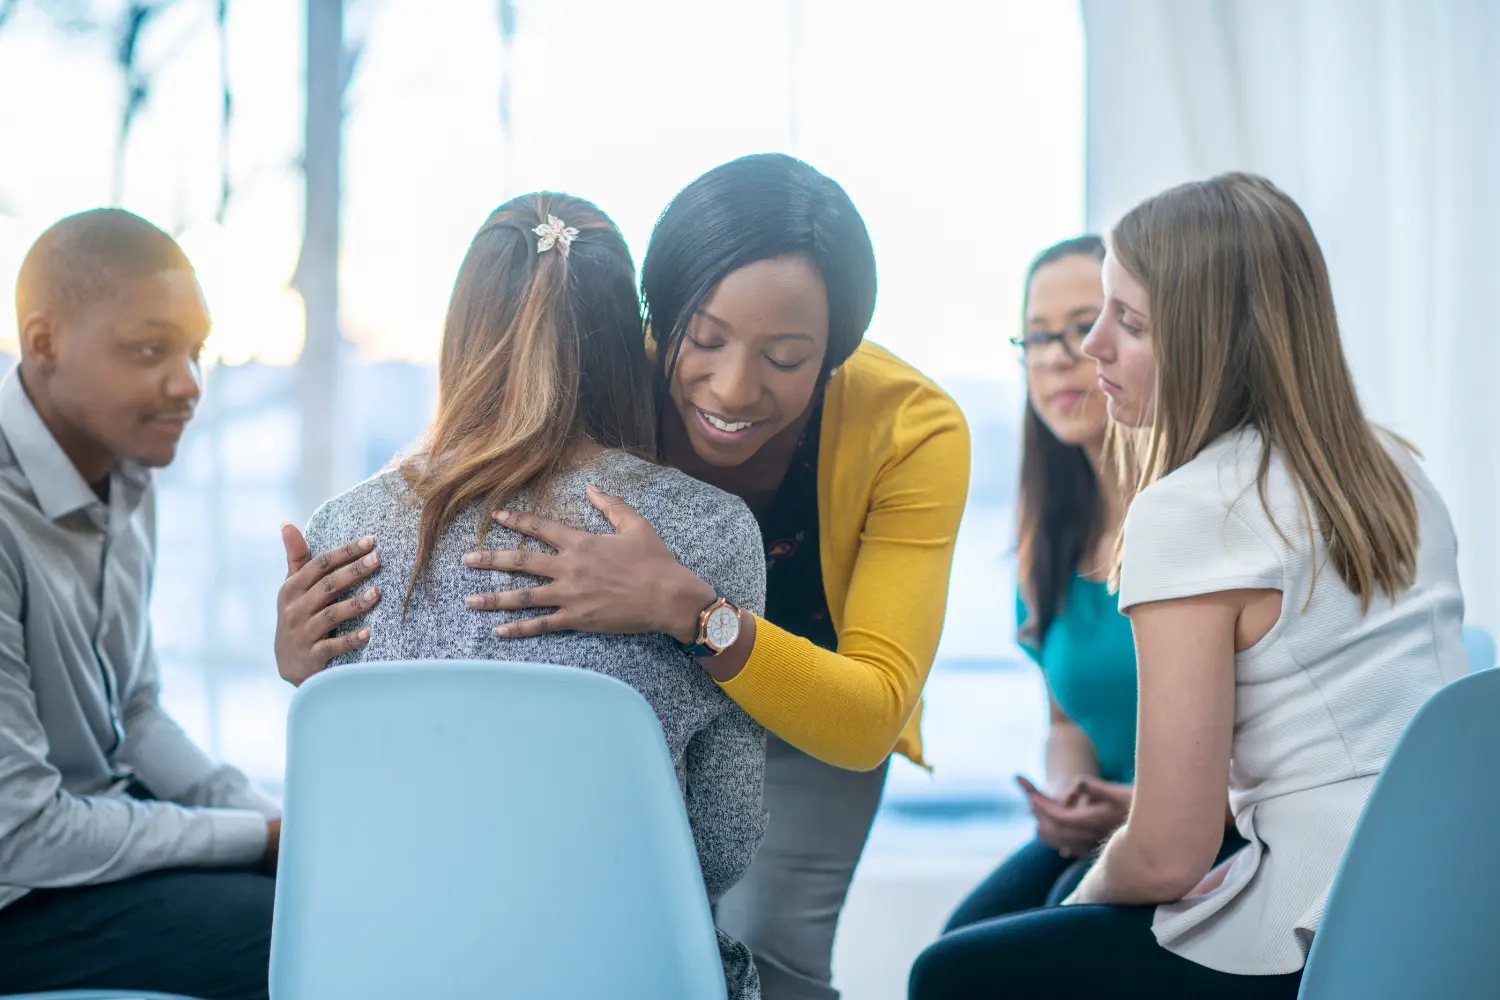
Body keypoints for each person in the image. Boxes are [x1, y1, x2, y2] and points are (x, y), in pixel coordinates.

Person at [274, 154, 971, 1000]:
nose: (732, 386)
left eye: (786, 358)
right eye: (704, 339)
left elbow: (867, 718)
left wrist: (692, 611)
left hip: (818, 695)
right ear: (654, 313)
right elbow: (709, 850)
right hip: (678, 727)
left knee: (779, 946)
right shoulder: (592, 354)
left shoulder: (910, 428)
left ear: (835, 352)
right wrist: (310, 663)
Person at [909, 172, 1468, 999]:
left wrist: (1081, 900)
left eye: (1125, 322)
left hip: (1322, 923)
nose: (1092, 346)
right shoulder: (1395, 469)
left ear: (1216, 340)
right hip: (1447, 893)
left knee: (949, 975)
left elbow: (1169, 851)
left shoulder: (1189, 508)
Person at [287, 193, 769, 1000]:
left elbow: (342, 808)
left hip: (388, 976)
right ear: (628, 341)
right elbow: (722, 845)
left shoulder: (344, 527)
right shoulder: (708, 530)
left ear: (462, 331)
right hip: (623, 974)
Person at [0, 209, 281, 1000]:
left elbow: (138, 712)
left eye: (195, 351)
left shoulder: (128, 469)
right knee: (289, 935)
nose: (189, 383)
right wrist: (253, 838)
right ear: (44, 343)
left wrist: (268, 819)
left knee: (324, 895)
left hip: (84, 829)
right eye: (150, 350)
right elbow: (21, 834)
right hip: (17, 884)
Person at [945, 237, 1244, 931]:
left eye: (1085, 327)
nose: (1058, 354)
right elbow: (1064, 721)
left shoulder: (1200, 521)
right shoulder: (1047, 537)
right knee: (955, 945)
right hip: (1111, 825)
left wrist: (1141, 804)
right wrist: (1068, 795)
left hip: (1213, 837)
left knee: (993, 964)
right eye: (1039, 336)